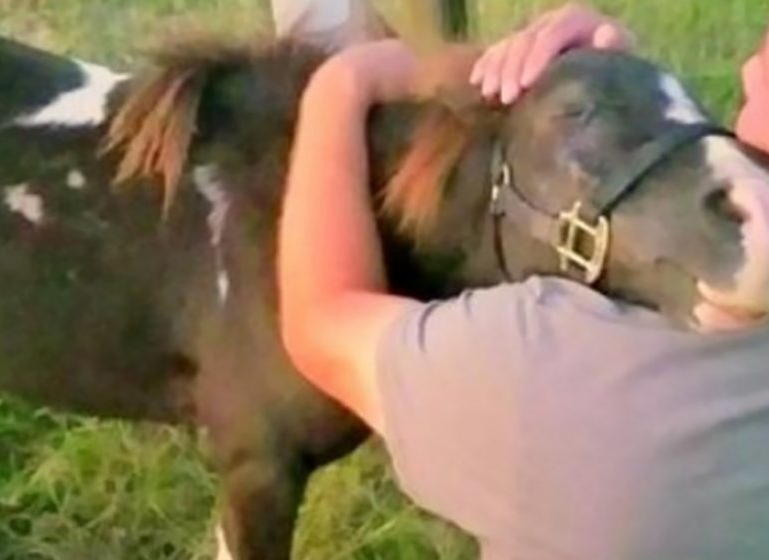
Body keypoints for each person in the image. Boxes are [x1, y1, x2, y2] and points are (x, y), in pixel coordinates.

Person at [278, 2, 769, 559]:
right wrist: (624, 98)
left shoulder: (556, 373)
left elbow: (322, 324)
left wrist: (341, 85)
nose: (749, 69)